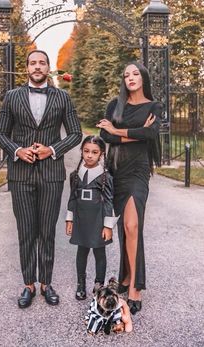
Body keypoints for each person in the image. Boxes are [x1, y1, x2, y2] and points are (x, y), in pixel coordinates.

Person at [0, 49, 82, 308]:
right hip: (20, 175)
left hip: (51, 174)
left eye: (42, 63)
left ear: (47, 67)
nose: (37, 67)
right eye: (33, 63)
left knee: (46, 232)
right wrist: (17, 151)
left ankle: (46, 283)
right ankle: (28, 285)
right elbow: (0, 134)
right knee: (26, 232)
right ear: (27, 68)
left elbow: (75, 133)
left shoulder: (62, 97)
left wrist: (52, 149)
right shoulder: (12, 97)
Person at [96, 61, 162, 315]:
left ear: (143, 77)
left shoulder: (154, 106)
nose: (130, 78)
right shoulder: (116, 104)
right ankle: (125, 277)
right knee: (124, 227)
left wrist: (118, 129)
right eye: (126, 75)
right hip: (117, 171)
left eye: (135, 73)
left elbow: (151, 135)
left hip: (137, 171)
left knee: (133, 226)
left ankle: (135, 286)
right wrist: (135, 131)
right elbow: (106, 136)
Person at [65, 135, 118, 300]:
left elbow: (109, 201)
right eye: (86, 151)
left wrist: (108, 226)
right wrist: (69, 219)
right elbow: (72, 198)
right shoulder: (75, 175)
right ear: (81, 151)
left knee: (99, 253)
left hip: (98, 221)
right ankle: (81, 284)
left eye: (94, 152)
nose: (89, 155)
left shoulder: (105, 177)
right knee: (81, 252)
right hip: (81, 220)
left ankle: (99, 285)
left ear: (101, 154)